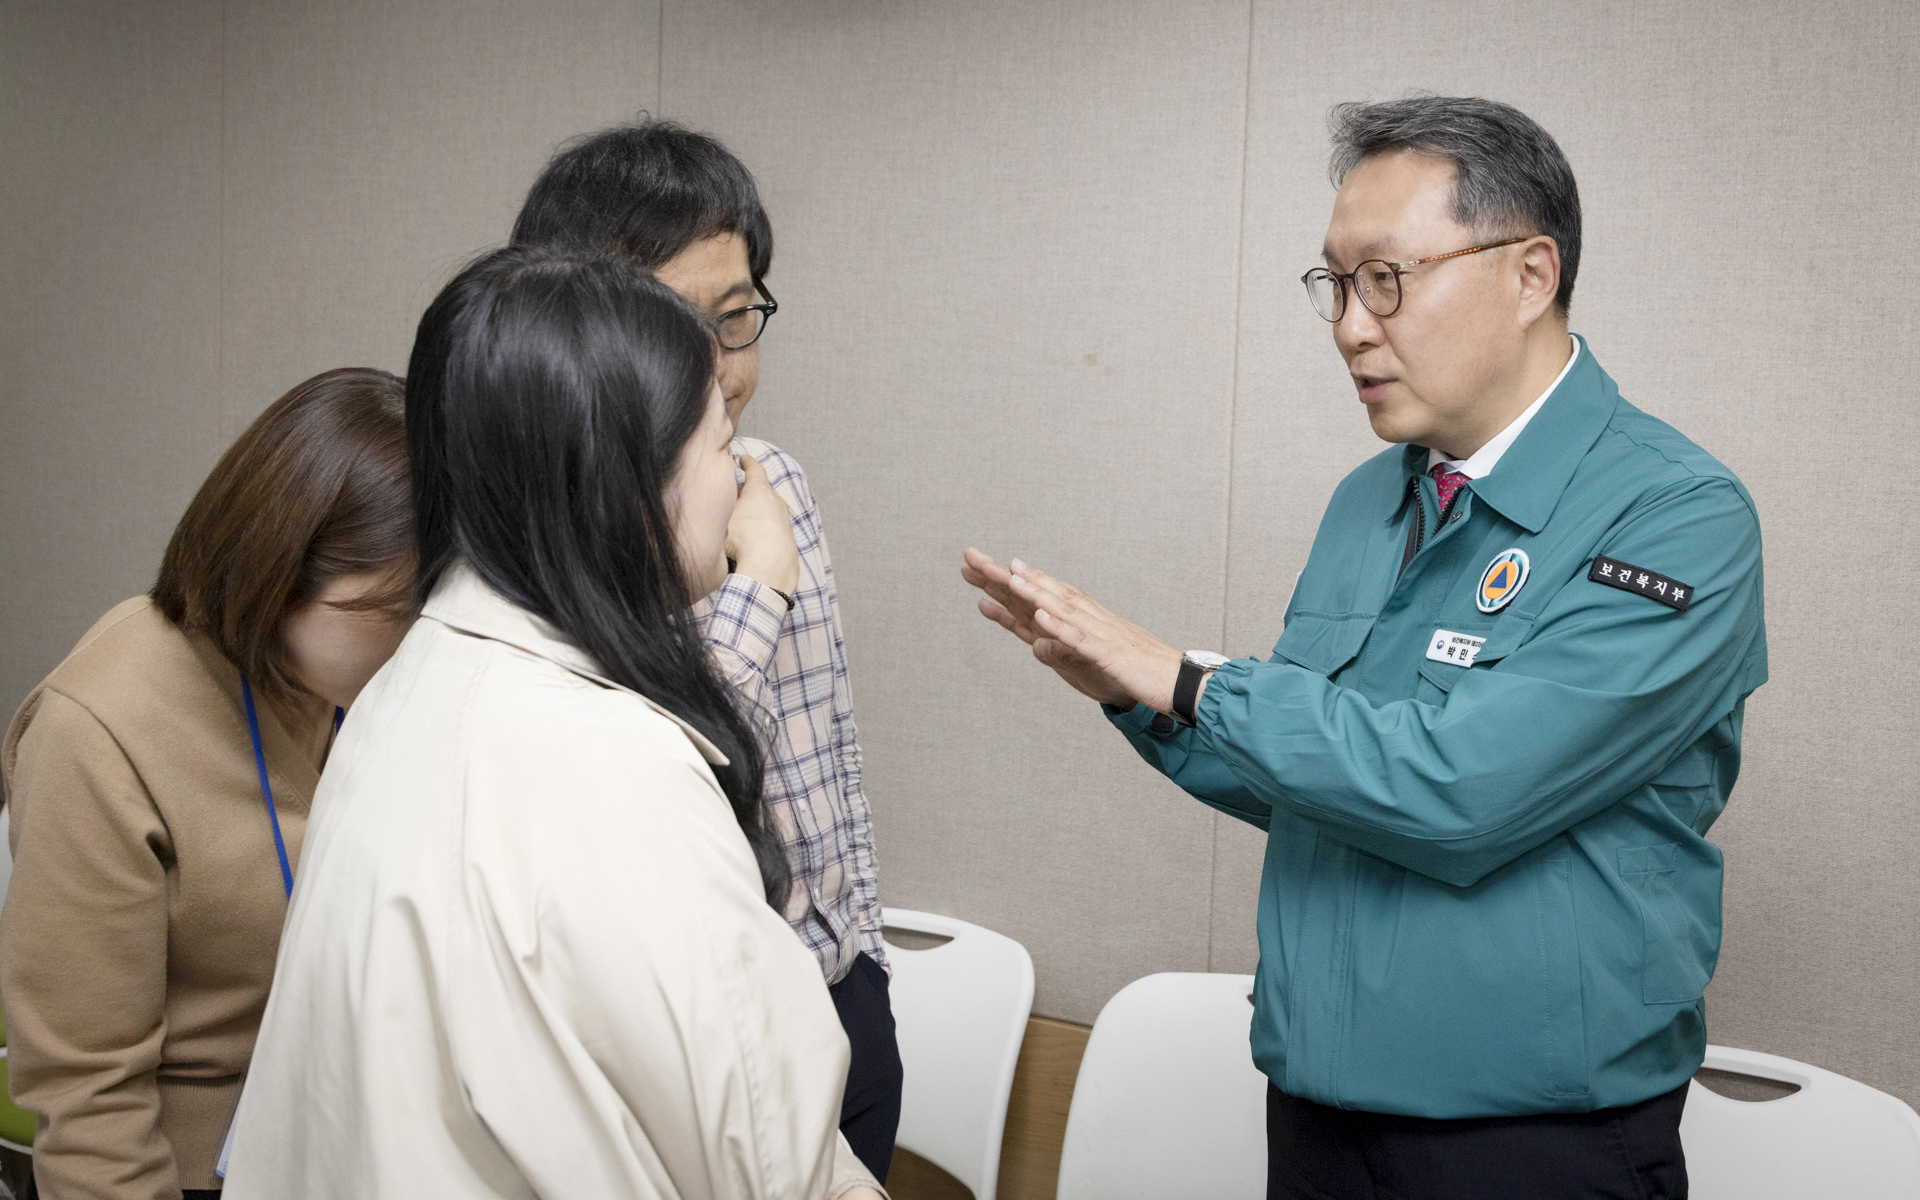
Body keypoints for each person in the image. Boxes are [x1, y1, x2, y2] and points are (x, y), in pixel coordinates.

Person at [964, 96, 1765, 1200]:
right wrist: (1142, 698)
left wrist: (1196, 681)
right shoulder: (1369, 502)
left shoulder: (1675, 515)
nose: (1349, 324)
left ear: (1531, 275)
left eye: (1387, 278)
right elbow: (1328, 780)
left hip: (1530, 1145)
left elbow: (1460, 788)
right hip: (1318, 1114)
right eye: (1335, 285)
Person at [221, 247, 884, 1200]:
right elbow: (775, 1167)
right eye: (714, 439)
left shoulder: (402, 692)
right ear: (625, 483)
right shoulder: (621, 775)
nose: (738, 472)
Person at [510, 120, 901, 1181]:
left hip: (838, 991)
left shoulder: (777, 482)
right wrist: (757, 591)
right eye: (678, 330)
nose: (722, 371)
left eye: (738, 321)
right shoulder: (541, 552)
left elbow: (821, 754)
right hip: (688, 1040)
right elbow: (653, 775)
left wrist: (863, 955)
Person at [0, 368, 415, 1200]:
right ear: (276, 573)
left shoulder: (342, 685)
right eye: (390, 611)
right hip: (193, 1169)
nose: (412, 644)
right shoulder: (100, 730)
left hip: (347, 1142)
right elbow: (89, 1104)